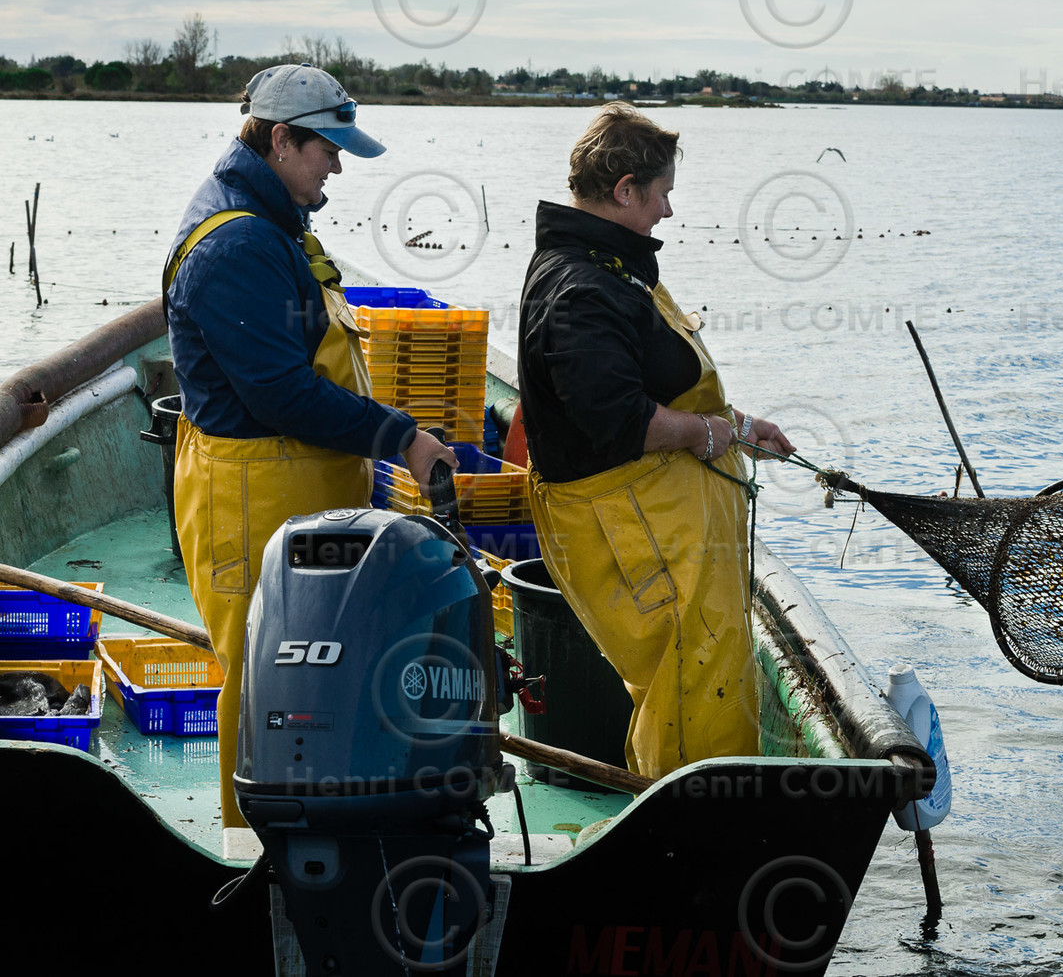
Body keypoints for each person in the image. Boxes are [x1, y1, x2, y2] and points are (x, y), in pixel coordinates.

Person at [163, 63, 456, 828]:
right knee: (261, 678)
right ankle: (248, 852)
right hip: (249, 498)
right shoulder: (235, 246)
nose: (336, 166)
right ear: (281, 139)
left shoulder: (278, 221)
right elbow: (283, 394)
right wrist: (400, 436)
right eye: (327, 149)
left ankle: (315, 837)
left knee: (309, 674)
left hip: (298, 493)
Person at [517, 103, 794, 779]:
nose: (667, 212)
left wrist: (741, 429)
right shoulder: (580, 287)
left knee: (707, 665)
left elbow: (652, 379)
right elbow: (620, 421)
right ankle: (685, 833)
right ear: (625, 190)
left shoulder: (613, 264)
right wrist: (710, 433)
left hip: (670, 524)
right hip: (631, 527)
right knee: (687, 678)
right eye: (662, 195)